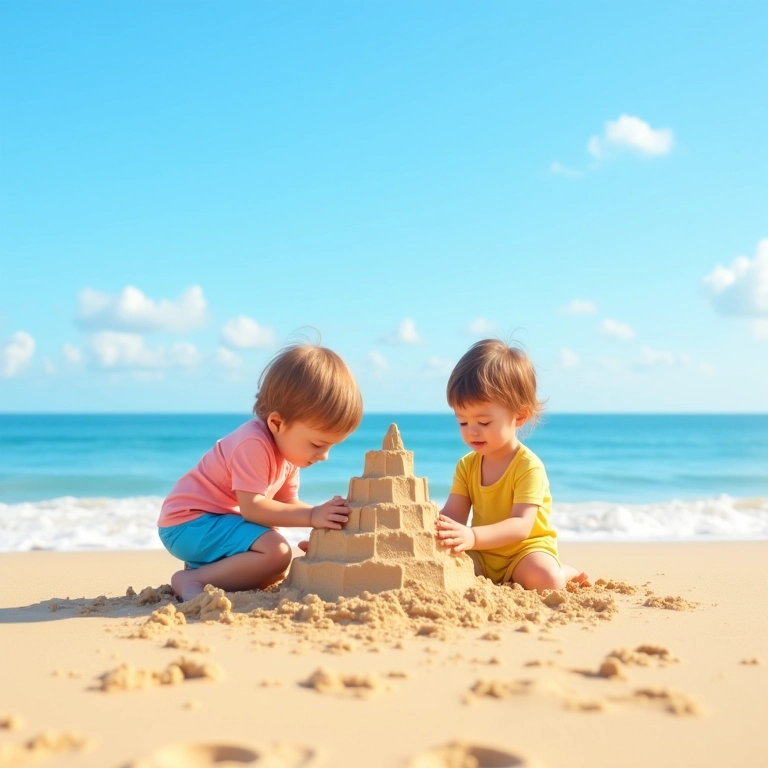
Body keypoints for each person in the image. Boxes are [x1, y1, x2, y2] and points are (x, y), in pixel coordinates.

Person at [157, 342, 362, 601]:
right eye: (317, 444)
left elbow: (286, 505)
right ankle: (191, 579)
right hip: (188, 523)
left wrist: (321, 532)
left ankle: (206, 571)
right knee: (276, 552)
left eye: (331, 446)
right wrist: (312, 515)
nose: (324, 456)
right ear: (277, 423)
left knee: (271, 568)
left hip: (215, 523)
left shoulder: (287, 454)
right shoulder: (253, 443)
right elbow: (253, 509)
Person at [435, 338, 589, 591]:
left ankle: (565, 571)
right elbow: (453, 515)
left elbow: (520, 526)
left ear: (519, 416)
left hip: (525, 551)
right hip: (482, 552)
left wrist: (472, 536)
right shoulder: (466, 466)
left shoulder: (528, 466)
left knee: (547, 580)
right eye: (462, 422)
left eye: (483, 422)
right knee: (442, 569)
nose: (472, 431)